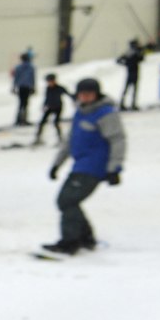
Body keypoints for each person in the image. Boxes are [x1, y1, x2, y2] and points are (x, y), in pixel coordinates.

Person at [44, 78, 125, 256]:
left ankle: (71, 242)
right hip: (80, 165)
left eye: (89, 94)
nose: (85, 97)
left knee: (66, 200)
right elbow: (69, 142)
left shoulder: (105, 113)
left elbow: (118, 140)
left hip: (95, 166)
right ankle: (86, 238)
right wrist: (56, 164)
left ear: (96, 95)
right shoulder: (80, 113)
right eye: (82, 94)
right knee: (69, 201)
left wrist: (114, 168)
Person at [33, 73, 67, 146]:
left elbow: (68, 94)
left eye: (51, 81)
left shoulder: (59, 88)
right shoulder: (48, 89)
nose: (50, 83)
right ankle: (38, 137)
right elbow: (47, 98)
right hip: (50, 107)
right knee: (42, 122)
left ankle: (60, 138)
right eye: (48, 81)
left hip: (58, 107)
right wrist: (44, 105)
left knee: (56, 122)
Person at [116, 39, 145, 111]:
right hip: (133, 73)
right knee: (131, 90)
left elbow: (141, 58)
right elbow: (118, 60)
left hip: (132, 72)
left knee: (129, 89)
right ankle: (128, 104)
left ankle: (125, 104)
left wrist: (126, 64)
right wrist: (126, 64)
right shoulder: (132, 52)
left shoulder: (130, 52)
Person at [11, 50, 37, 125]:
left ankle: (18, 119)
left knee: (21, 103)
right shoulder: (31, 67)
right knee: (25, 104)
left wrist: (14, 87)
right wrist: (33, 87)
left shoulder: (18, 67)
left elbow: (16, 78)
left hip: (21, 87)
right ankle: (24, 119)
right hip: (27, 87)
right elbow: (32, 78)